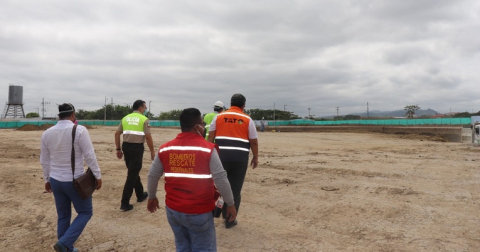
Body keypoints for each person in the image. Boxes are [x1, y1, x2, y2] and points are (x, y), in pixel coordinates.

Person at [147, 108, 237, 251]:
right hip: (199, 211)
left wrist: (152, 197)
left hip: (173, 211)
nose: (204, 126)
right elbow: (221, 178)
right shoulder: (207, 149)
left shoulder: (165, 149)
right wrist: (231, 204)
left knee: (182, 246)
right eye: (202, 123)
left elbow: (152, 175)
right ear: (197, 126)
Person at [40, 103, 102, 252]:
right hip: (75, 181)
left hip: (55, 180)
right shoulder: (79, 130)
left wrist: (47, 179)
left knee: (63, 215)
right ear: (73, 115)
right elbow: (90, 155)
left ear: (59, 115)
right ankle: (65, 243)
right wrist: (97, 175)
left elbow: (44, 159)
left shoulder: (47, 133)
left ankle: (65, 248)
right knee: (86, 212)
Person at [207, 93, 259, 228]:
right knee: (235, 189)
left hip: (220, 158)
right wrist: (255, 157)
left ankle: (218, 211)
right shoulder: (247, 119)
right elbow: (253, 141)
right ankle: (230, 220)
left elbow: (211, 136)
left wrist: (208, 154)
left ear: (230, 104)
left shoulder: (219, 117)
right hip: (239, 159)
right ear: (244, 105)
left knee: (220, 186)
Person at [115, 100, 155, 211]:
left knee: (133, 171)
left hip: (126, 147)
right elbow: (148, 137)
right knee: (132, 174)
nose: (146, 109)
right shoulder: (144, 119)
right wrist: (152, 151)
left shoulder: (125, 118)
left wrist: (118, 149)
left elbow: (117, 134)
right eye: (145, 107)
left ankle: (140, 194)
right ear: (140, 107)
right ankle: (124, 203)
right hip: (137, 148)